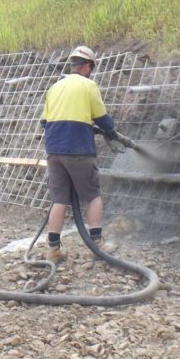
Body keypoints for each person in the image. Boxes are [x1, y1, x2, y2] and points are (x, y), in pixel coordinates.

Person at [40, 45, 117, 262]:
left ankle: (53, 250)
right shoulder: (88, 85)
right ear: (87, 66)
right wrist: (109, 131)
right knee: (92, 195)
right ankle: (98, 244)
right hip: (78, 149)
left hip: (54, 149)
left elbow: (44, 121)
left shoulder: (54, 88)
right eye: (91, 68)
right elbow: (101, 118)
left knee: (59, 199)